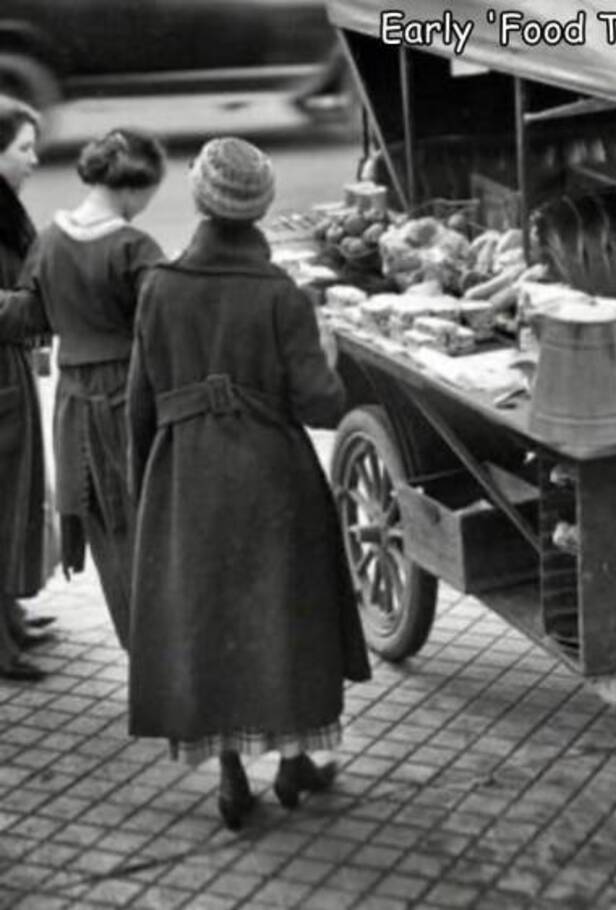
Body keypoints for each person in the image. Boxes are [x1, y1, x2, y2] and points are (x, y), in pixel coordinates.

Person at [126, 137, 370, 830]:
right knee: (286, 618)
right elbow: (321, 406)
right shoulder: (281, 296)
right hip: (273, 477)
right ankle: (295, 761)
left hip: (186, 478)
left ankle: (232, 777)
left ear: (201, 201)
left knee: (212, 625)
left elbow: (139, 405)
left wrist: (149, 488)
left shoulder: (160, 288)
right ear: (260, 210)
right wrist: (329, 351)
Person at [0, 128, 166, 651]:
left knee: (102, 525)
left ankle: (136, 642)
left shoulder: (49, 238)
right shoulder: (134, 247)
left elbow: (28, 316)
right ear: (134, 188)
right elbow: (165, 329)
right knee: (147, 521)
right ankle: (160, 651)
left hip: (72, 402)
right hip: (126, 394)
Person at [0, 94, 50, 682]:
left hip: (9, 375)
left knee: (13, 500)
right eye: (23, 148)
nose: (35, 159)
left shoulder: (6, 206)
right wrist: (41, 307)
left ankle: (9, 615)